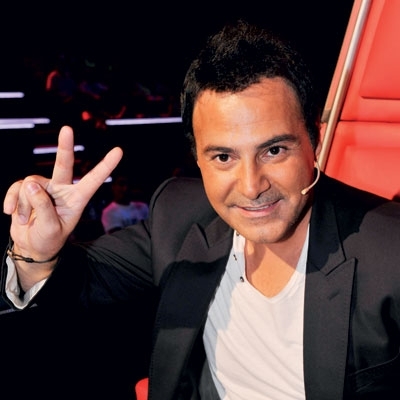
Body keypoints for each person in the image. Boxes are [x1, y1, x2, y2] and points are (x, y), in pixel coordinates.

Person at [2, 20, 400, 400]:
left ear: (315, 139)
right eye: (224, 157)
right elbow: (75, 286)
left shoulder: (390, 252)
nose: (251, 186)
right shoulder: (179, 217)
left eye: (274, 150)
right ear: (197, 159)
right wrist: (35, 252)